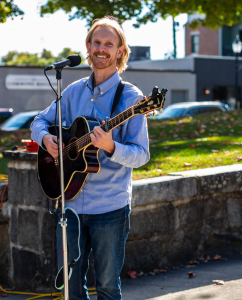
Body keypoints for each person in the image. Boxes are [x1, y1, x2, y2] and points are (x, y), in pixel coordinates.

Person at [31, 16, 149, 300]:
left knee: (108, 287)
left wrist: (111, 147)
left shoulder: (132, 99)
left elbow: (142, 155)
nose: (102, 48)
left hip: (110, 206)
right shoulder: (73, 91)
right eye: (96, 42)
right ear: (88, 46)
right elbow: (39, 121)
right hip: (70, 203)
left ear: (120, 51)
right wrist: (46, 139)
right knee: (71, 287)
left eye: (109, 44)